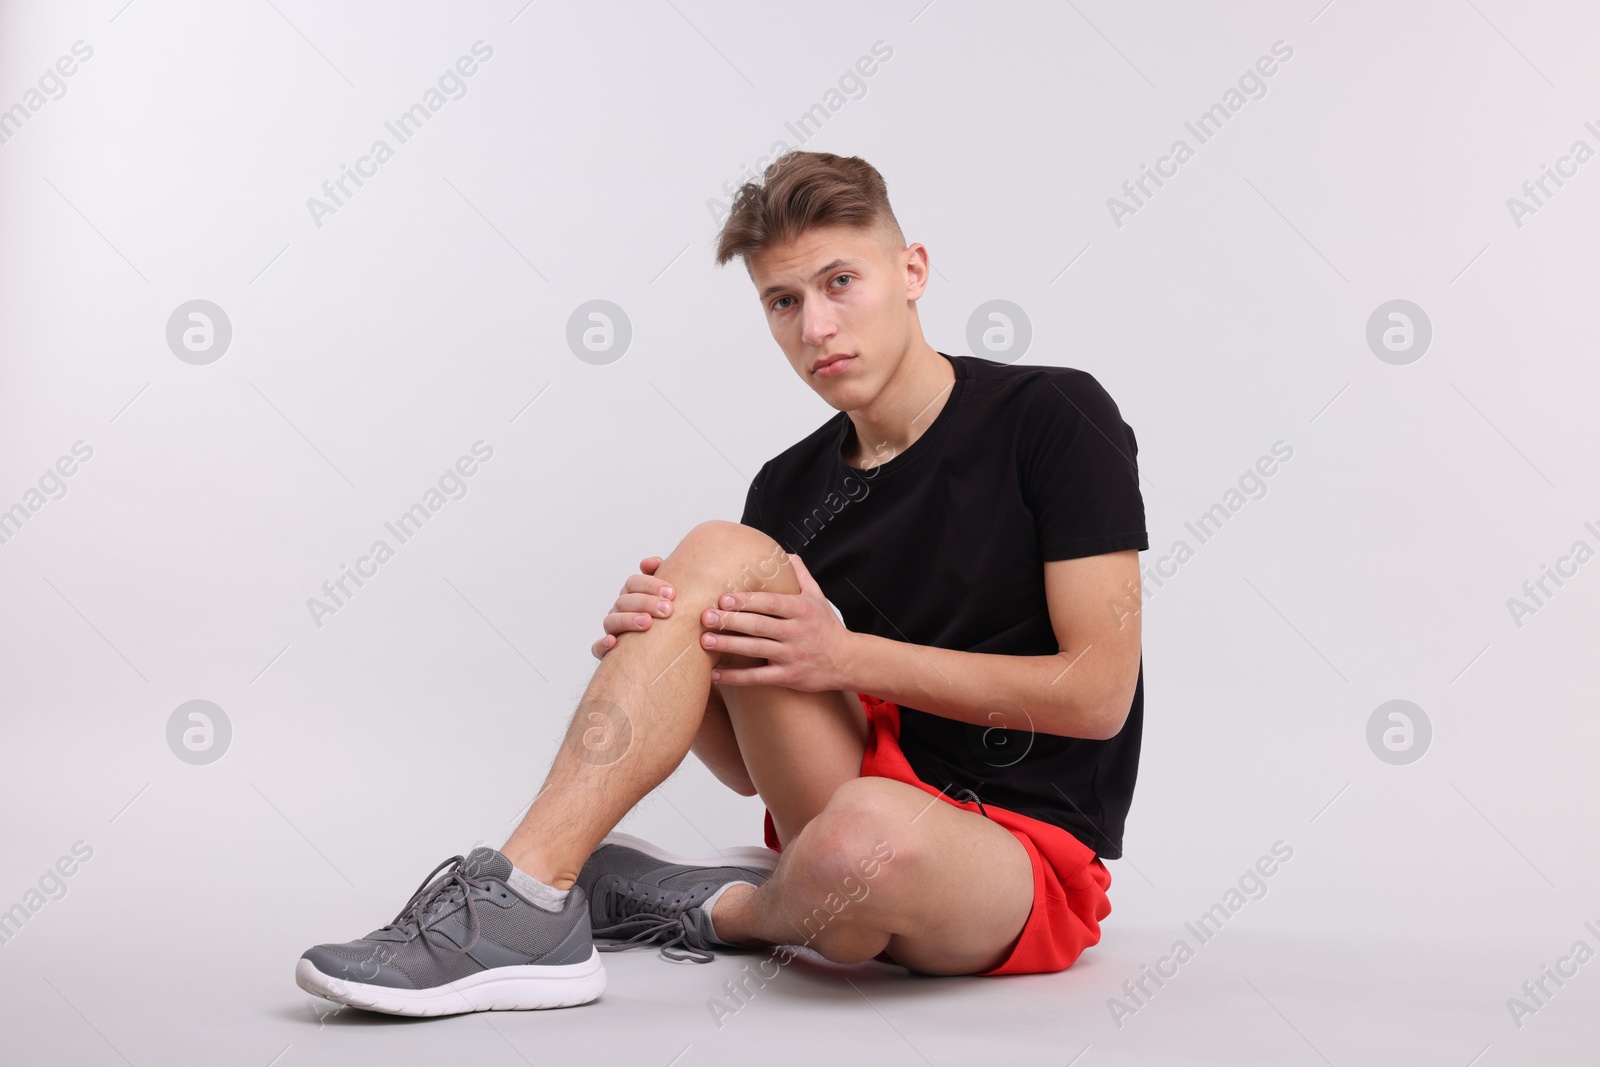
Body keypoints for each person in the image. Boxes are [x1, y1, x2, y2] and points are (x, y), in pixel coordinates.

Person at [294, 150, 1149, 1017]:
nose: (815, 327)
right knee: (715, 555)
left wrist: (846, 657)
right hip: (842, 781)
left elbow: (1097, 694)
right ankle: (524, 894)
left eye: (839, 281)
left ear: (912, 271)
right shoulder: (787, 487)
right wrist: (673, 649)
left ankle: (721, 906)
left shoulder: (1054, 417)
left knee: (857, 849)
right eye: (783, 301)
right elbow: (747, 770)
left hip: (1014, 848)